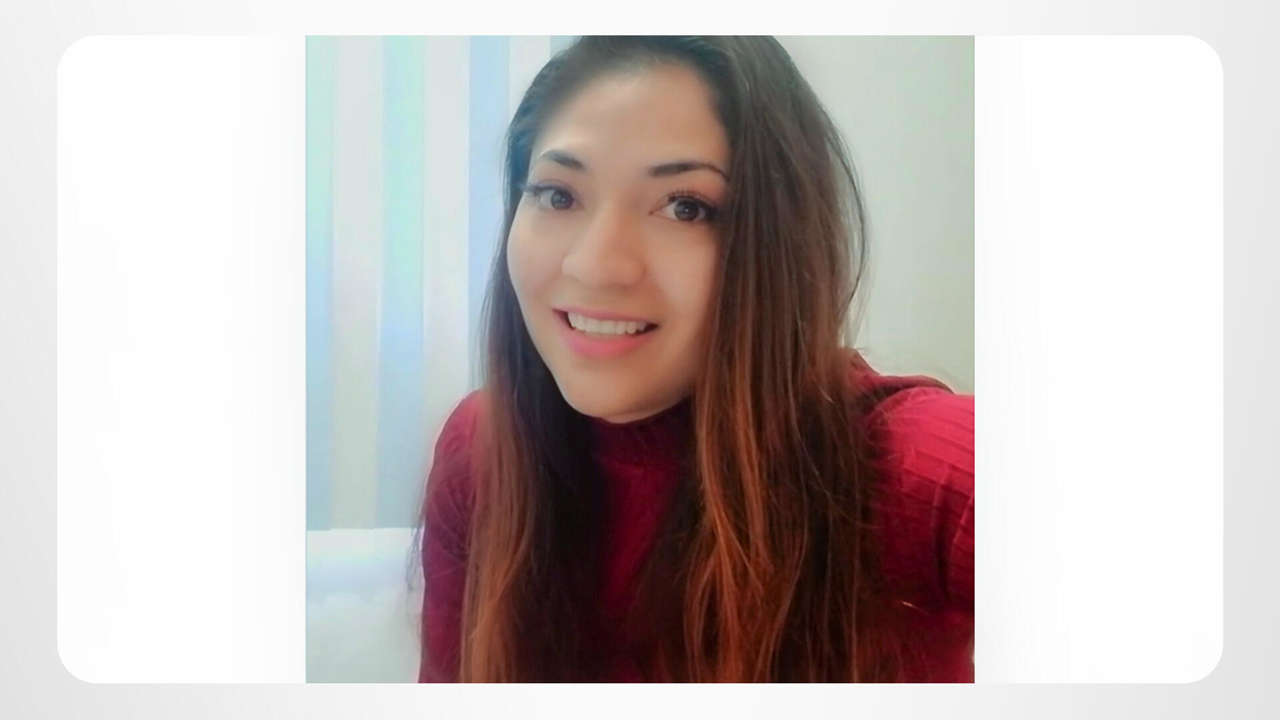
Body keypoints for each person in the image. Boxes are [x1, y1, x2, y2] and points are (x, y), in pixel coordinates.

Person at [417, 36, 974, 683]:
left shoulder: (904, 467)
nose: (594, 265)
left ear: (779, 242)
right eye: (558, 195)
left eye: (686, 207)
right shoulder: (482, 452)